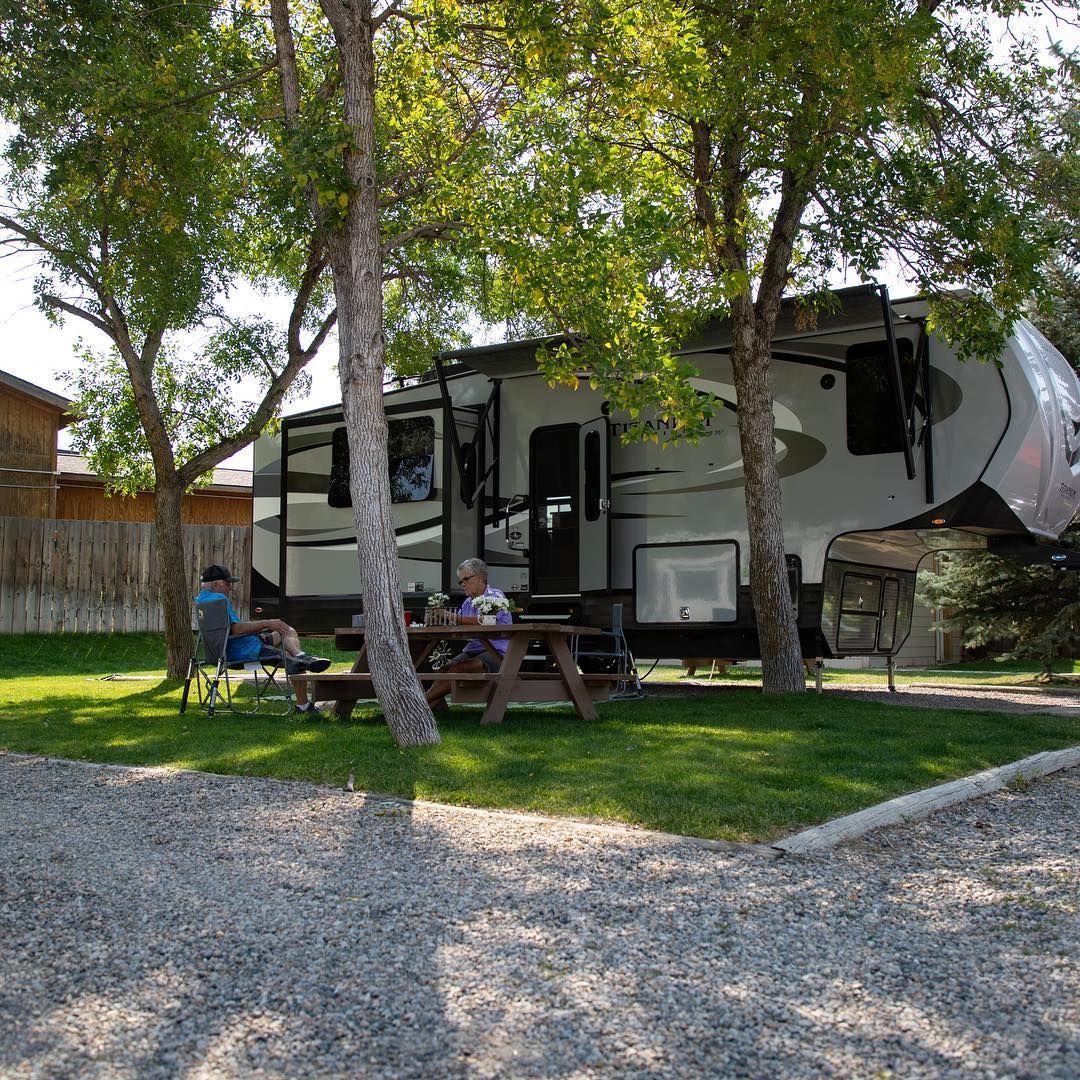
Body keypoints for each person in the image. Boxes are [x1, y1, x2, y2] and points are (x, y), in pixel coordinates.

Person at [195, 564, 330, 714]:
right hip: (246, 651)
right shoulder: (219, 599)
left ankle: (301, 656)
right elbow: (236, 629)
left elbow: (227, 631)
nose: (230, 588)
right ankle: (303, 703)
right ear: (215, 584)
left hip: (232, 648)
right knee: (292, 660)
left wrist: (262, 627)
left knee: (285, 630)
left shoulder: (201, 600)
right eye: (227, 584)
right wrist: (266, 623)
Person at [425, 558, 513, 712]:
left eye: (466, 579)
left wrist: (449, 615)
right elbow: (456, 625)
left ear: (480, 577)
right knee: (444, 669)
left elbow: (484, 621)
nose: (463, 584)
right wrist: (436, 620)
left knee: (460, 668)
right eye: (460, 582)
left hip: (498, 653)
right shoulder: (467, 603)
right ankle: (424, 712)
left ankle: (419, 705)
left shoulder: (495, 597)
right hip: (473, 650)